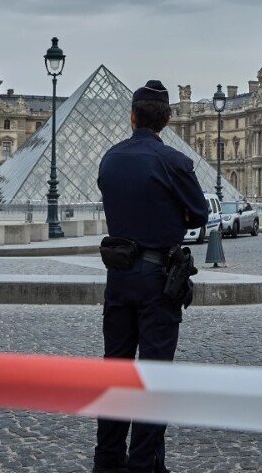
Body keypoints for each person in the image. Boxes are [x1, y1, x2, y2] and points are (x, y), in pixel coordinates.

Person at [94, 79, 209, 473]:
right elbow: (200, 214)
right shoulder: (175, 162)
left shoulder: (110, 158)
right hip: (159, 278)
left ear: (131, 116)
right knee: (153, 376)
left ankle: (107, 462)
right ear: (168, 120)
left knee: (116, 372)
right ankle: (144, 464)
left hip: (118, 277)